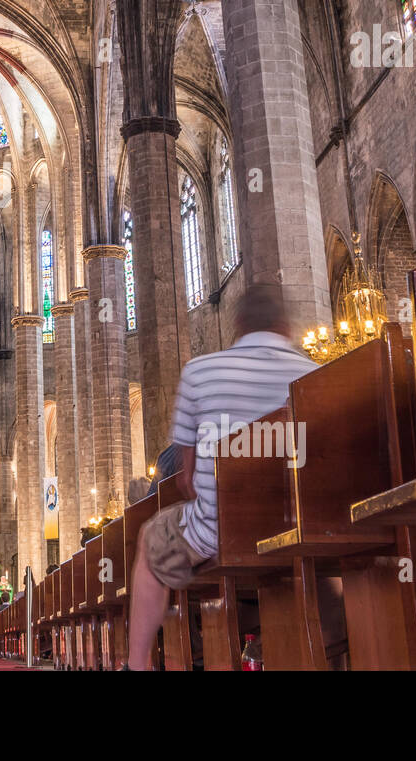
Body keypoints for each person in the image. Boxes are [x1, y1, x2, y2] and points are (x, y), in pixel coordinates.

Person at [124, 283, 318, 670]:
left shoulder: (201, 372)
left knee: (151, 539)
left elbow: (186, 478)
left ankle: (137, 664)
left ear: (239, 325)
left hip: (220, 532)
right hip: (306, 525)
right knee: (324, 571)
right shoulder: (317, 373)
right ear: (286, 326)